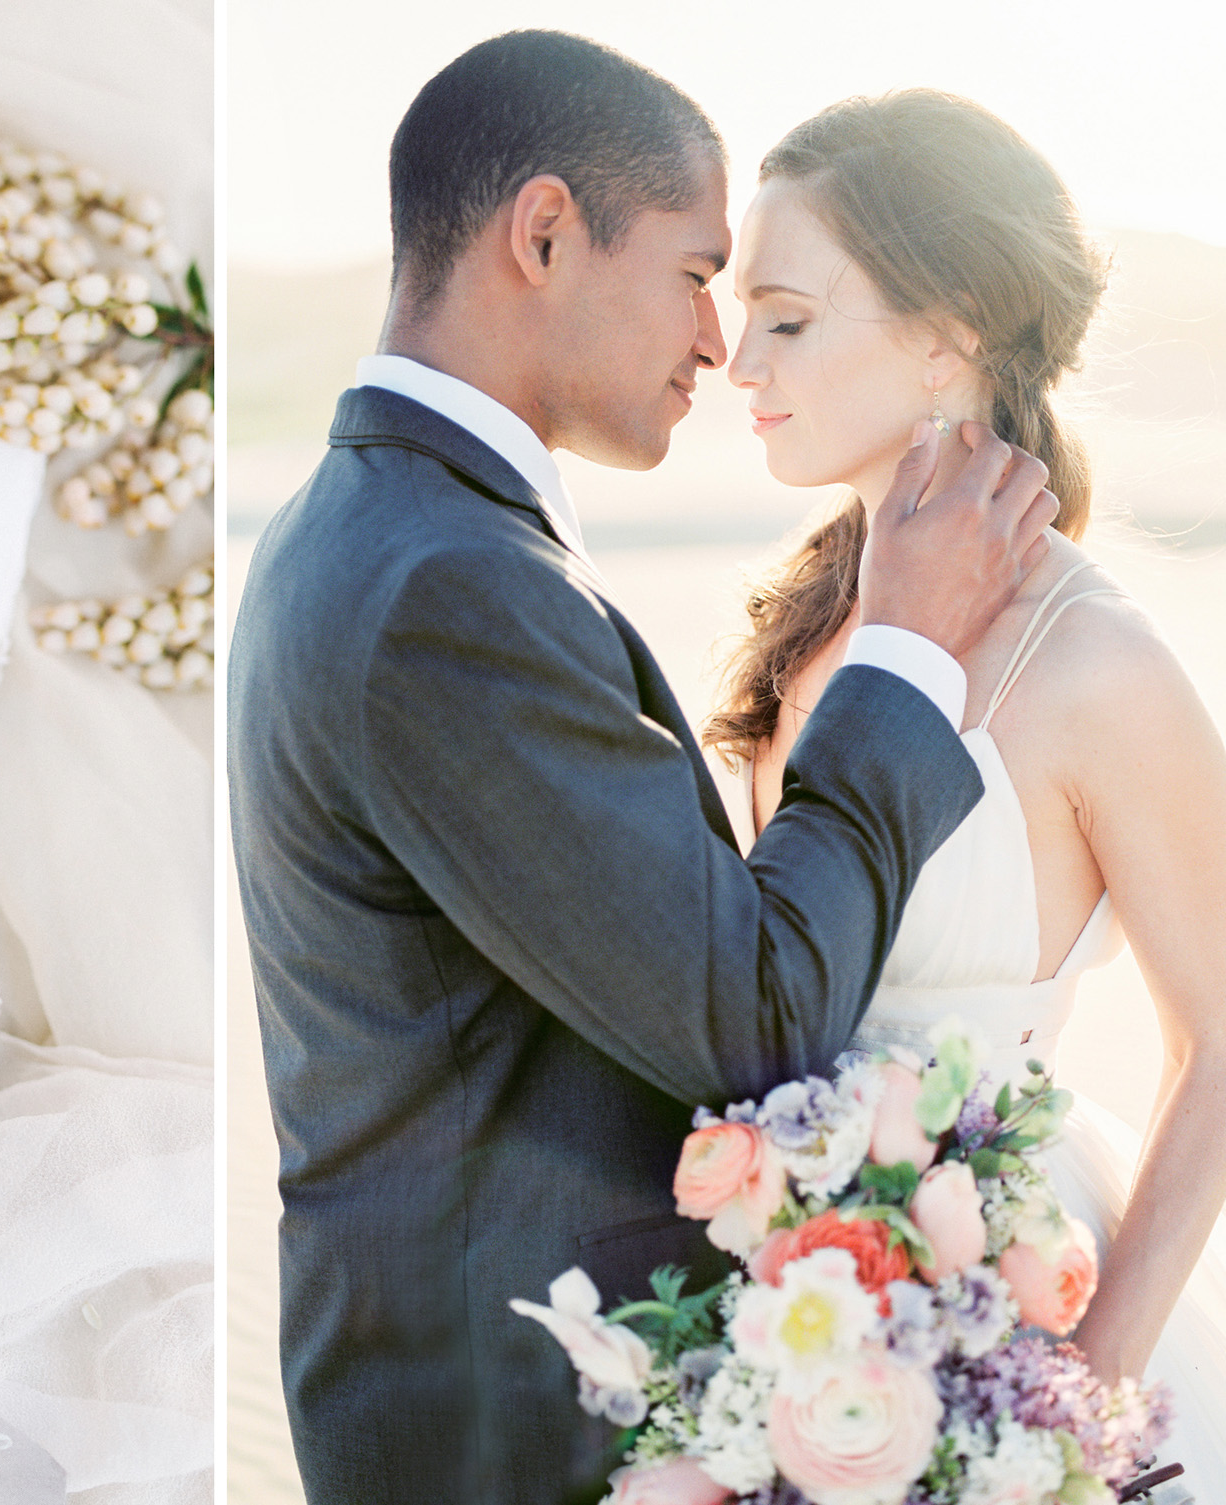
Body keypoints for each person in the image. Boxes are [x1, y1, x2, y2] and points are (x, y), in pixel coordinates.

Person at [228, 31, 1058, 1505]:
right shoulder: (439, 585)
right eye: (692, 275)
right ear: (544, 233)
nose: (710, 347)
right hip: (507, 1439)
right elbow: (754, 1012)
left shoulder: (370, 531)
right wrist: (909, 647)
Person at [713, 88, 1226, 1491]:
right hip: (782, 1305)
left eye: (789, 318)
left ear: (947, 337)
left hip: (1013, 1311)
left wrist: (1078, 1386)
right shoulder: (817, 627)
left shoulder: (1100, 660)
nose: (733, 356)